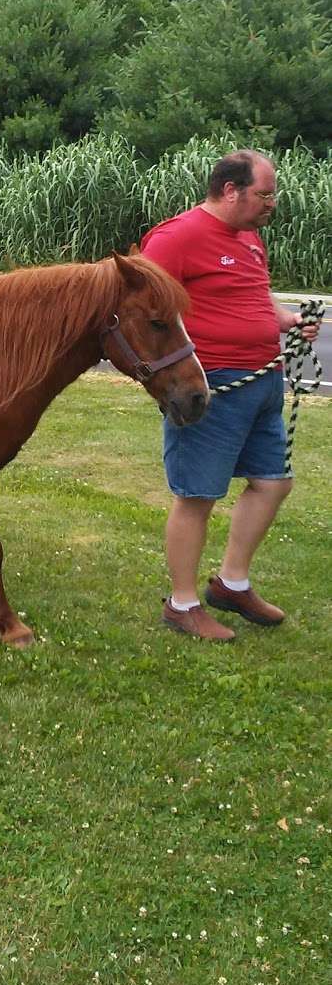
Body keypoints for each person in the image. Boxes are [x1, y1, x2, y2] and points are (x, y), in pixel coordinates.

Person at [140, 149, 321, 642]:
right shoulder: (177, 237)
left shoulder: (249, 238)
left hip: (263, 380)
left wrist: (284, 318)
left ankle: (231, 585)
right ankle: (182, 604)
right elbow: (140, 303)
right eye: (264, 195)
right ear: (230, 191)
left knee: (273, 481)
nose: (272, 204)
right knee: (197, 495)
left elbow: (253, 293)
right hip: (210, 385)